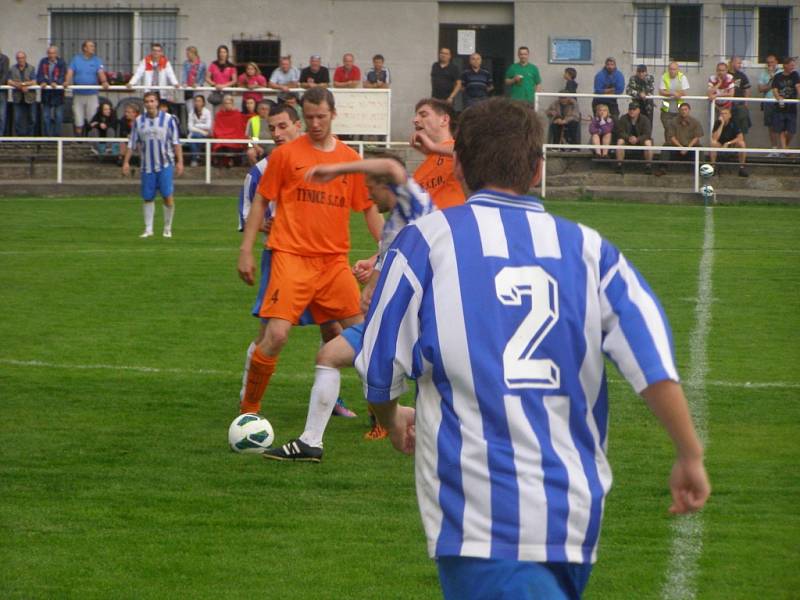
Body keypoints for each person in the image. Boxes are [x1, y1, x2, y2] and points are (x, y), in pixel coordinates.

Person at [355, 97, 710, 600]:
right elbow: (651, 360)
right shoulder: (590, 248)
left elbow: (377, 363)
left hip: (477, 511)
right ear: (539, 167)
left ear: (457, 166)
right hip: (573, 511)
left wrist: (390, 419)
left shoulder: (424, 241)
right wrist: (688, 453)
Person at [263, 155, 434, 461]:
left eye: (371, 187)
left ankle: (423, 426)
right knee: (329, 355)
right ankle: (310, 442)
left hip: (422, 322)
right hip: (390, 322)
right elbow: (386, 268)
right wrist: (370, 286)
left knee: (431, 392)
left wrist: (336, 169)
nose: (368, 195)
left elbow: (393, 168)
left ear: (387, 185)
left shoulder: (416, 205)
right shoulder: (394, 223)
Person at [236, 87, 383, 418]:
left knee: (365, 336)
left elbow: (369, 208)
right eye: (310, 117)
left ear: (333, 114)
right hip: (290, 258)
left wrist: (385, 246)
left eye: (322, 116)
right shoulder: (285, 156)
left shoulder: (349, 159)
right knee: (275, 335)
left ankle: (382, 413)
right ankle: (249, 410)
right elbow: (261, 200)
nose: (316, 123)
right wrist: (246, 249)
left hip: (332, 264)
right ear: (303, 117)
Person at [122, 91, 184, 239]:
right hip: (146, 166)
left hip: (165, 164)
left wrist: (180, 161)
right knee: (148, 197)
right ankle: (148, 229)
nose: (150, 104)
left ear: (157, 103)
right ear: (144, 104)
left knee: (167, 197)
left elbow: (176, 142)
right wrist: (126, 162)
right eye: (147, 102)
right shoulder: (139, 121)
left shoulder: (169, 120)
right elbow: (132, 143)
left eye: (152, 101)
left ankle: (167, 228)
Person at [408, 98, 466, 209]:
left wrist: (434, 147)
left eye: (423, 115)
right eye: (416, 116)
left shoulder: (460, 154)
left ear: (444, 120)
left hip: (454, 223)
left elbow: (473, 151)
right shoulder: (420, 171)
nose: (415, 120)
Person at [64, 39, 109, 136]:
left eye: (93, 46)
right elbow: (70, 72)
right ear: (85, 48)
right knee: (78, 120)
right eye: (91, 46)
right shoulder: (76, 59)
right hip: (78, 95)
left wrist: (104, 82)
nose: (93, 48)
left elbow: (101, 73)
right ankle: (78, 142)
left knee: (92, 120)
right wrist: (67, 81)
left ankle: (91, 142)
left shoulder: (97, 60)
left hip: (92, 94)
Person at [771, 56, 800, 154]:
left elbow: (798, 86)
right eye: (791, 65)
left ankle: (785, 147)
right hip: (780, 107)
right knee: (781, 129)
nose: (793, 66)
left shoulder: (795, 75)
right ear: (785, 65)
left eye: (794, 65)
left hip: (791, 107)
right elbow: (774, 89)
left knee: (791, 131)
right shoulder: (778, 76)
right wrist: (778, 98)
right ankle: (784, 150)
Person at [36, 45, 67, 137]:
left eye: (53, 53)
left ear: (56, 54)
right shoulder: (43, 61)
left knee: (58, 117)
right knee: (46, 117)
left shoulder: (61, 62)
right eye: (49, 53)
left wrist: (56, 82)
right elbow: (40, 74)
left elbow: (62, 75)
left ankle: (57, 137)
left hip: (58, 94)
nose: (51, 55)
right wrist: (43, 82)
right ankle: (48, 137)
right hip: (46, 94)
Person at [615, 101, 653, 173]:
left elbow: (647, 134)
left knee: (648, 143)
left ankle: (648, 166)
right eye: (630, 109)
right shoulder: (623, 118)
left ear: (638, 110)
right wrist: (629, 138)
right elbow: (620, 132)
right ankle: (619, 165)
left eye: (634, 109)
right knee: (620, 142)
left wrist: (637, 139)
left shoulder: (645, 119)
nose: (632, 111)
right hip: (627, 140)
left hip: (641, 141)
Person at [710, 106, 748, 177]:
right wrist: (721, 124)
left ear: (730, 115)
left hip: (731, 144)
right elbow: (714, 138)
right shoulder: (717, 123)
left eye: (725, 113)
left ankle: (742, 168)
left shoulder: (734, 122)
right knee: (713, 143)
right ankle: (713, 167)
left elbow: (740, 137)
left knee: (742, 143)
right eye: (722, 114)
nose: (723, 115)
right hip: (720, 144)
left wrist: (728, 143)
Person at [212, 94, 247, 167]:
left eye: (229, 103)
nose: (227, 105)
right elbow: (217, 128)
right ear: (223, 104)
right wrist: (222, 135)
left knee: (233, 143)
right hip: (222, 136)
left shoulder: (237, 114)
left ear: (232, 103)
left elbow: (239, 129)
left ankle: (231, 161)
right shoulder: (219, 114)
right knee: (220, 143)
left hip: (234, 136)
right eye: (225, 103)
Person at [658, 61, 690, 143]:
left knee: (679, 130)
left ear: (678, 69)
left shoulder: (682, 77)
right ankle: (668, 148)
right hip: (666, 108)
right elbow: (661, 92)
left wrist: (671, 93)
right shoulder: (664, 76)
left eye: (674, 69)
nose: (672, 71)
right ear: (668, 69)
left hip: (679, 109)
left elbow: (684, 92)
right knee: (668, 129)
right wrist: (673, 93)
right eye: (671, 69)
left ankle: (678, 149)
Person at [7, 51, 37, 136]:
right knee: (17, 119)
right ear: (16, 59)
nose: (21, 60)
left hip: (30, 97)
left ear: (25, 58)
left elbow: (34, 81)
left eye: (22, 58)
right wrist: (19, 86)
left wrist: (24, 84)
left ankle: (30, 138)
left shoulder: (31, 68)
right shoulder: (12, 69)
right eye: (19, 58)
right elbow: (9, 81)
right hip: (17, 97)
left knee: (32, 119)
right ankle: (19, 139)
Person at [758, 54, 781, 155]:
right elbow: (760, 89)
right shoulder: (763, 74)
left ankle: (782, 150)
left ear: (776, 62)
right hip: (768, 101)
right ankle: (774, 149)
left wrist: (774, 79)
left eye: (772, 62)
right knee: (771, 126)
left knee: (781, 126)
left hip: (779, 101)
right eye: (768, 63)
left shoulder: (781, 73)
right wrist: (771, 80)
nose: (770, 65)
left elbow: (781, 87)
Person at [206, 45, 237, 112]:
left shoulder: (231, 66)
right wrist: (215, 85)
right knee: (217, 113)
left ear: (227, 53)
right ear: (218, 53)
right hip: (216, 92)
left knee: (227, 113)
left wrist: (224, 86)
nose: (222, 54)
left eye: (224, 52)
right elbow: (207, 78)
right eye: (221, 52)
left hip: (227, 93)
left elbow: (234, 80)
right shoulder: (213, 64)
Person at [728, 56, 751, 136]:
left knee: (742, 128)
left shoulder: (742, 75)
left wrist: (746, 103)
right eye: (738, 63)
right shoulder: (726, 74)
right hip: (727, 105)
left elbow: (747, 89)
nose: (740, 65)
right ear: (732, 63)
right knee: (728, 128)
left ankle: (740, 147)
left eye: (740, 63)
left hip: (740, 105)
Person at [181, 46, 207, 116]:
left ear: (193, 53)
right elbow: (184, 74)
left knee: (199, 109)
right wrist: (184, 83)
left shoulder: (202, 64)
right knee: (190, 111)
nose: (187, 56)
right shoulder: (185, 63)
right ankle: (191, 125)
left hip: (197, 89)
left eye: (188, 54)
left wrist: (198, 84)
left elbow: (203, 76)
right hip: (188, 89)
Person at [187, 94, 212, 167]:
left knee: (196, 136)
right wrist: (202, 130)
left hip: (205, 134)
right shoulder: (191, 112)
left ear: (203, 103)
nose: (197, 103)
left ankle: (194, 159)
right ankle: (197, 156)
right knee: (194, 136)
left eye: (199, 101)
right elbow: (189, 127)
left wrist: (196, 126)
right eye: (196, 101)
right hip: (197, 133)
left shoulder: (207, 112)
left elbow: (208, 126)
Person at [245, 100, 272, 165]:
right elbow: (249, 136)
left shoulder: (273, 119)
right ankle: (257, 171)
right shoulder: (252, 120)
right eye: (262, 109)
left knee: (276, 152)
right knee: (250, 153)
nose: (264, 111)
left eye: (267, 109)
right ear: (258, 110)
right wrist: (256, 147)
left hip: (272, 145)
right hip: (255, 144)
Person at [0, 49, 9, 135]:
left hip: (1, 91)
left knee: (2, 116)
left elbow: (5, 75)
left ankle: (1, 137)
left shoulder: (4, 59)